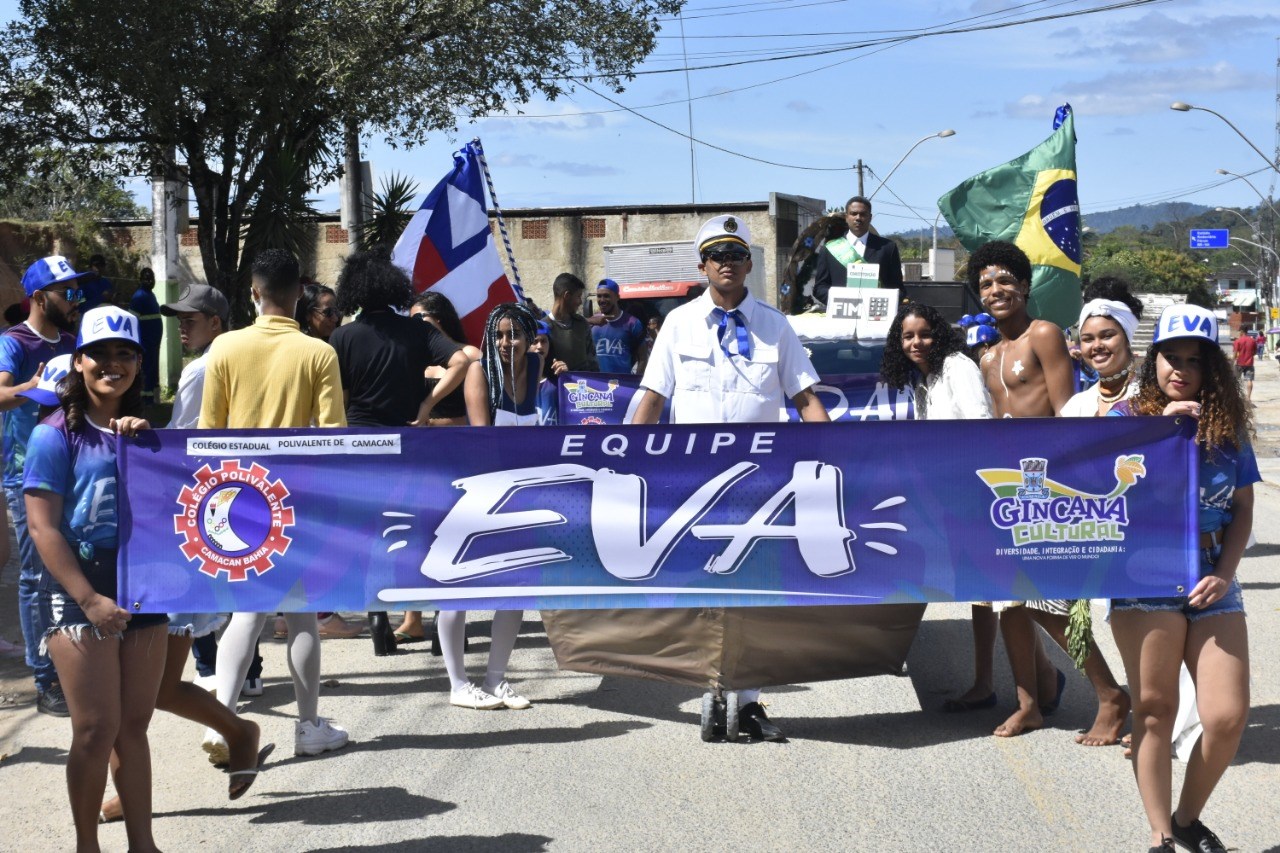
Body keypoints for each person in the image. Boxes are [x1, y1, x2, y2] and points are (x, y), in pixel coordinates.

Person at [631, 214, 829, 742]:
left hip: (760, 486)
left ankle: (749, 701)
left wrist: (839, 460)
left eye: (736, 254)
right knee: (703, 591)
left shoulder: (775, 325)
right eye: (717, 254)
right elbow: (651, 399)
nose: (727, 263)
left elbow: (806, 399)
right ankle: (710, 691)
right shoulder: (677, 325)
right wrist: (627, 465)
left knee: (756, 593)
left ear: (747, 264)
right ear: (702, 266)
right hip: (692, 485)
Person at [1108, 303, 1255, 853]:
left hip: (1213, 577)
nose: (1181, 369)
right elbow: (1110, 490)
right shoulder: (1127, 419)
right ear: (1155, 360)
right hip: (1144, 576)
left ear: (1211, 367)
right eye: (1172, 356)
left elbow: (1242, 508)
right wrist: (1165, 431)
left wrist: (1226, 572)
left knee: (1226, 716)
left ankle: (1188, 819)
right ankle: (1161, 836)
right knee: (1154, 708)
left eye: (1195, 360)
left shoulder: (1226, 425)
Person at [23, 305, 167, 852]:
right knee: (94, 729)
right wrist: (88, 599)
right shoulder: (52, 435)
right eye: (99, 354)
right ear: (78, 362)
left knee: (133, 729)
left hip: (145, 588)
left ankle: (143, 845)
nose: (113, 364)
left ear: (138, 362)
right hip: (79, 595)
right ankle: (87, 845)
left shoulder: (147, 434)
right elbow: (42, 528)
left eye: (124, 353)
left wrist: (150, 444)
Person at [973, 241, 1127, 742]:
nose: (995, 290)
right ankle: (1029, 704)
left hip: (1048, 485)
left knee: (1048, 604)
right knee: (1010, 605)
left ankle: (1109, 694)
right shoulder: (987, 356)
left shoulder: (1042, 335)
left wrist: (1066, 487)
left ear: (1023, 285)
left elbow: (1067, 412)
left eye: (1003, 280)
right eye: (985, 284)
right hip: (1009, 490)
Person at [200, 248, 351, 758]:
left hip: (237, 496)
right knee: (303, 616)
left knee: (246, 611)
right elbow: (334, 437)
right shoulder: (317, 354)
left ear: (253, 292)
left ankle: (222, 719)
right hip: (298, 498)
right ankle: (308, 727)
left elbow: (207, 436)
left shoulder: (222, 348)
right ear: (301, 294)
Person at [329, 252, 470, 656]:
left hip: (360, 446)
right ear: (394, 287)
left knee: (374, 533)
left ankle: (378, 614)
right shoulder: (415, 330)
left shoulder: (343, 337)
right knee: (420, 529)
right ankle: (441, 622)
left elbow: (339, 397)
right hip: (409, 444)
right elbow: (460, 360)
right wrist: (428, 403)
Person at [880, 302, 1000, 713]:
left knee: (997, 595)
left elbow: (981, 426)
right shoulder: (923, 380)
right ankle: (1033, 679)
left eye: (924, 333)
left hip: (974, 495)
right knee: (983, 592)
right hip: (946, 498)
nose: (916, 342)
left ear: (941, 334)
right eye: (908, 336)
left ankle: (997, 684)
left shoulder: (956, 367)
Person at [445, 302, 545, 711]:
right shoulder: (477, 373)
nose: (507, 342)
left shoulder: (539, 369)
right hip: (480, 496)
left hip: (524, 498)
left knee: (515, 591)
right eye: (500, 335)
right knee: (456, 591)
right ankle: (457, 684)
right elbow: (483, 444)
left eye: (515, 334)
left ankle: (495, 680)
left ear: (528, 338)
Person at [0, 255, 86, 716]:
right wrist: (29, 389)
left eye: (78, 291)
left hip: (76, 469)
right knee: (36, 577)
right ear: (38, 298)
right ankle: (44, 676)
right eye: (67, 292)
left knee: (75, 565)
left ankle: (77, 662)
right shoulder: (13, 343)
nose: (76, 299)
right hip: (26, 475)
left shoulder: (74, 342)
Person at [812, 195, 904, 308]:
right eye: (853, 213)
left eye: (863, 214)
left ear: (870, 217)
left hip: (876, 317)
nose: (858, 218)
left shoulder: (887, 248)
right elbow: (820, 288)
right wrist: (841, 300)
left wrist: (881, 303)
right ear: (846, 217)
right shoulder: (829, 249)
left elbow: (898, 289)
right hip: (841, 316)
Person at [588, 278, 646, 373]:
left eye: (606, 296)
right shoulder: (593, 322)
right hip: (596, 384)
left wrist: (634, 383)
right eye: (599, 296)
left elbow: (643, 358)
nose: (602, 300)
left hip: (622, 384)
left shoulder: (632, 323)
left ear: (617, 297)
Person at [544, 273, 598, 371]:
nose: (580, 302)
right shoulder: (543, 328)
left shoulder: (581, 324)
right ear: (567, 296)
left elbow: (593, 365)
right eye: (578, 296)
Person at [129, 268, 164, 406]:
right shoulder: (139, 296)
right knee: (146, 369)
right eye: (146, 278)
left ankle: (153, 397)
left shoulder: (151, 295)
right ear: (140, 280)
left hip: (153, 341)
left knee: (153, 369)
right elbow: (133, 320)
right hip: (145, 342)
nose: (150, 281)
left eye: (151, 278)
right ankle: (145, 398)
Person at [1232, 326, 1256, 403]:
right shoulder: (1252, 341)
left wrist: (1232, 361)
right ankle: (1248, 398)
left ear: (1242, 331)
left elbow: (1235, 353)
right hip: (1249, 363)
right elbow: (1255, 352)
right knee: (1249, 380)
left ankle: (1235, 397)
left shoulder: (1238, 341)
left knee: (1235, 381)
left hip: (1239, 363)